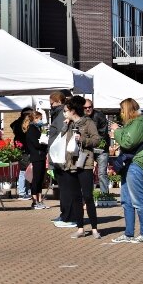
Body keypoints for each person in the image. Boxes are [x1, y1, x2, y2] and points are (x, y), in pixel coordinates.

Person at [55, 96, 101, 238]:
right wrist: (65, 125)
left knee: (87, 196)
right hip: (70, 164)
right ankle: (80, 228)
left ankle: (94, 229)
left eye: (66, 111)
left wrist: (83, 140)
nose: (64, 113)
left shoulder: (88, 123)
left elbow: (97, 140)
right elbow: (61, 138)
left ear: (73, 111)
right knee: (75, 197)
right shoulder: (68, 124)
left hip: (84, 163)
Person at [110, 98, 143, 244]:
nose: (121, 113)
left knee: (138, 200)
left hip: (137, 163)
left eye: (122, 110)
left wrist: (117, 131)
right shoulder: (132, 124)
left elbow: (127, 142)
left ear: (128, 110)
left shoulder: (139, 123)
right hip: (128, 163)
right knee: (126, 201)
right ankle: (129, 233)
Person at [47, 91, 75, 227]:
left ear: (58, 102)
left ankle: (68, 216)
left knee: (66, 188)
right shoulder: (58, 115)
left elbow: (60, 135)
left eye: (51, 103)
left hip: (61, 157)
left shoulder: (60, 115)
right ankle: (65, 214)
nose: (50, 105)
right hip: (59, 156)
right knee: (64, 188)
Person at [23, 111, 49, 210]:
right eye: (39, 118)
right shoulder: (32, 130)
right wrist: (44, 142)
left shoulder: (37, 128)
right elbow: (37, 144)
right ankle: (34, 201)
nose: (41, 120)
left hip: (41, 156)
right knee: (36, 179)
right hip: (36, 156)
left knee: (40, 179)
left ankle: (39, 200)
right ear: (34, 119)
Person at [84, 98, 110, 194]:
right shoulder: (81, 117)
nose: (87, 109)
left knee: (102, 173)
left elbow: (103, 133)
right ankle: (88, 195)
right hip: (88, 149)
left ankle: (105, 194)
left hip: (101, 148)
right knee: (87, 173)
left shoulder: (99, 115)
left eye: (89, 107)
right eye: (85, 107)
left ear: (93, 107)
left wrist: (91, 140)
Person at [10, 107, 34, 200]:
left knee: (26, 170)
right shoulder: (22, 124)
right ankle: (22, 192)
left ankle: (26, 191)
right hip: (24, 149)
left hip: (22, 149)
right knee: (24, 170)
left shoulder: (17, 123)